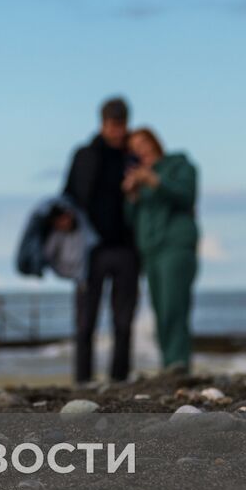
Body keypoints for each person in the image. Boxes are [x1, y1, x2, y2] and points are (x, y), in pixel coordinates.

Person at [63, 96, 138, 383]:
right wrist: (63, 217)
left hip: (127, 249)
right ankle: (82, 383)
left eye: (121, 124)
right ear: (102, 123)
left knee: (123, 322)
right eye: (112, 124)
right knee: (84, 323)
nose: (117, 131)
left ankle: (118, 381)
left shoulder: (133, 156)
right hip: (90, 251)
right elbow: (68, 193)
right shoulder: (84, 154)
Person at [123, 127, 200, 373]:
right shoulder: (139, 178)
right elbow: (130, 220)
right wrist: (132, 196)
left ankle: (178, 363)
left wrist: (155, 181)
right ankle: (169, 364)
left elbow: (187, 196)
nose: (140, 150)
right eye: (134, 148)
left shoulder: (179, 164)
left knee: (174, 307)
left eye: (143, 143)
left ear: (155, 141)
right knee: (160, 310)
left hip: (176, 245)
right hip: (151, 251)